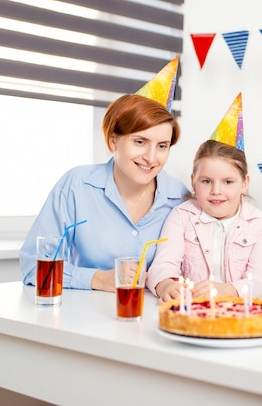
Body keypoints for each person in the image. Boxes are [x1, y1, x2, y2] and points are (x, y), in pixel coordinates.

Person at [20, 94, 189, 291]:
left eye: (162, 146)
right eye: (140, 142)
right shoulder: (76, 186)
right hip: (85, 316)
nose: (151, 158)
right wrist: (98, 279)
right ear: (113, 142)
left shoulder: (182, 198)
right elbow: (34, 267)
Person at [147, 139, 262, 302]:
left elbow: (260, 282)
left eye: (228, 182)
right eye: (206, 181)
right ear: (193, 182)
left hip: (240, 315)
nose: (216, 191)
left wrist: (227, 290)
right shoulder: (181, 216)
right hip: (192, 312)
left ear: (245, 184)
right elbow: (163, 265)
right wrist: (166, 285)